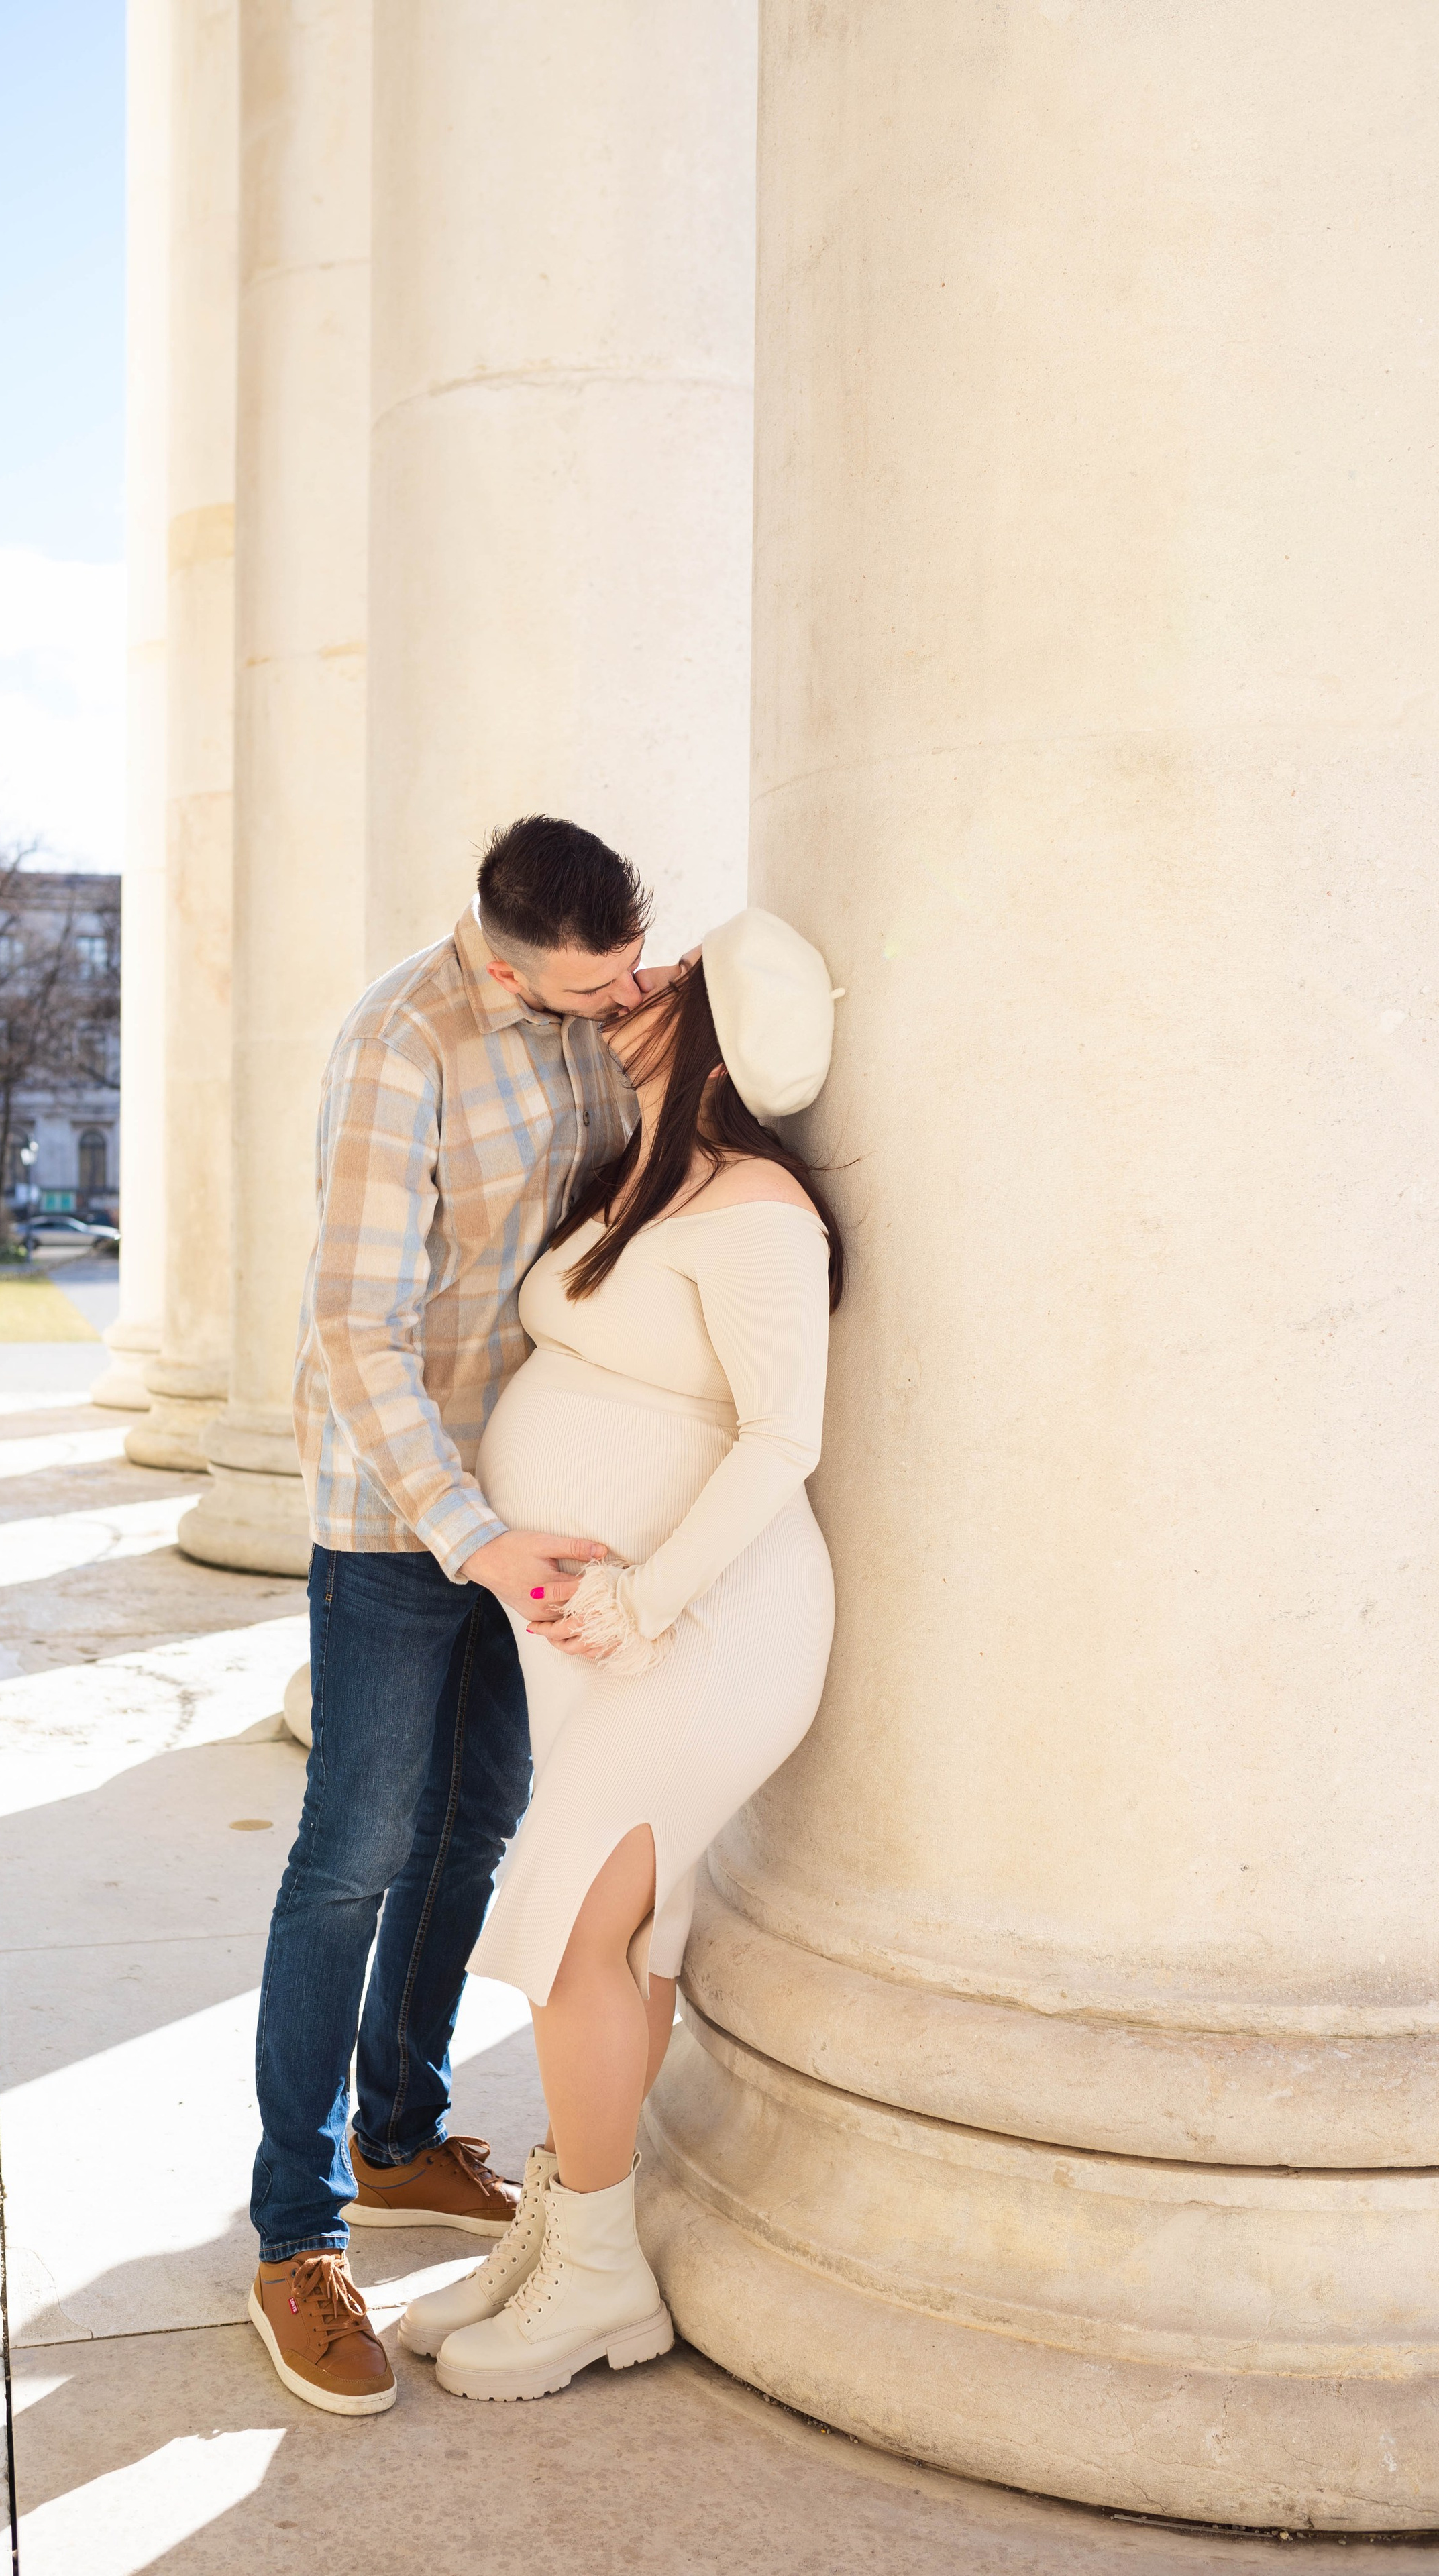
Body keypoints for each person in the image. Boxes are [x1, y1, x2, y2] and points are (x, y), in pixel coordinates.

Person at [398, 908, 843, 2404]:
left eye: (668, 973)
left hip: (712, 1631)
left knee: (575, 1936)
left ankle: (592, 2274)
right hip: (606, 1636)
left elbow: (784, 1437)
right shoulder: (638, 1183)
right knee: (626, 1943)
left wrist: (649, 1602)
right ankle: (569, 2231)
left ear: (716, 1023)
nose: (633, 979)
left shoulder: (755, 1205)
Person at [248, 814, 655, 2417]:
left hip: (528, 1500)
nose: (596, 1015)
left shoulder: (592, 1003)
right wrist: (469, 1537)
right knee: (353, 1851)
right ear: (498, 962)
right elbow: (355, 1336)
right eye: (572, 998)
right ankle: (293, 2235)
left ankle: (401, 2132)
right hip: (404, 1511)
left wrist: (652, 1006)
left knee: (475, 1820)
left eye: (616, 983)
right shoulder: (397, 1049)